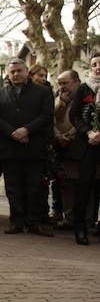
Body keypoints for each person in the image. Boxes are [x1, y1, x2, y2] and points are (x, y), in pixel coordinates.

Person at [0, 58, 54, 237]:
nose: (16, 74)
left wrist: (27, 130)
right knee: (13, 187)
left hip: (33, 147)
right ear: (8, 74)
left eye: (19, 70)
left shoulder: (42, 92)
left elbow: (47, 115)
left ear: (27, 71)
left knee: (34, 187)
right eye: (13, 71)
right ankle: (16, 221)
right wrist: (14, 133)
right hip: (9, 148)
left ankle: (34, 222)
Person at [68, 52, 100, 244]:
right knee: (84, 185)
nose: (98, 67)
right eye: (95, 63)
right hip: (88, 144)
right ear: (90, 67)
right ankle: (80, 228)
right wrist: (89, 132)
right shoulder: (83, 89)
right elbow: (74, 115)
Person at [53, 70, 82, 229]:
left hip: (79, 146)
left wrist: (70, 135)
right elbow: (50, 118)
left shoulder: (85, 96)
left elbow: (86, 119)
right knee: (67, 184)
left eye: (65, 83)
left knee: (85, 185)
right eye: (60, 83)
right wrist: (58, 135)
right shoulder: (58, 98)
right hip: (61, 146)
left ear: (76, 81)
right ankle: (69, 218)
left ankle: (85, 220)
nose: (62, 87)